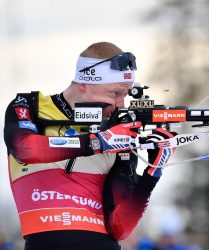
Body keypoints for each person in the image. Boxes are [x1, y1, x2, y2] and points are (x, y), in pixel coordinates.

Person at [3, 42, 176, 250]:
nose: (121, 104)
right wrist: (98, 142)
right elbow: (25, 149)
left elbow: (120, 228)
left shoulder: (119, 130)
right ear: (84, 84)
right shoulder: (31, 106)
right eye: (114, 93)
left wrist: (152, 174)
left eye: (126, 95)